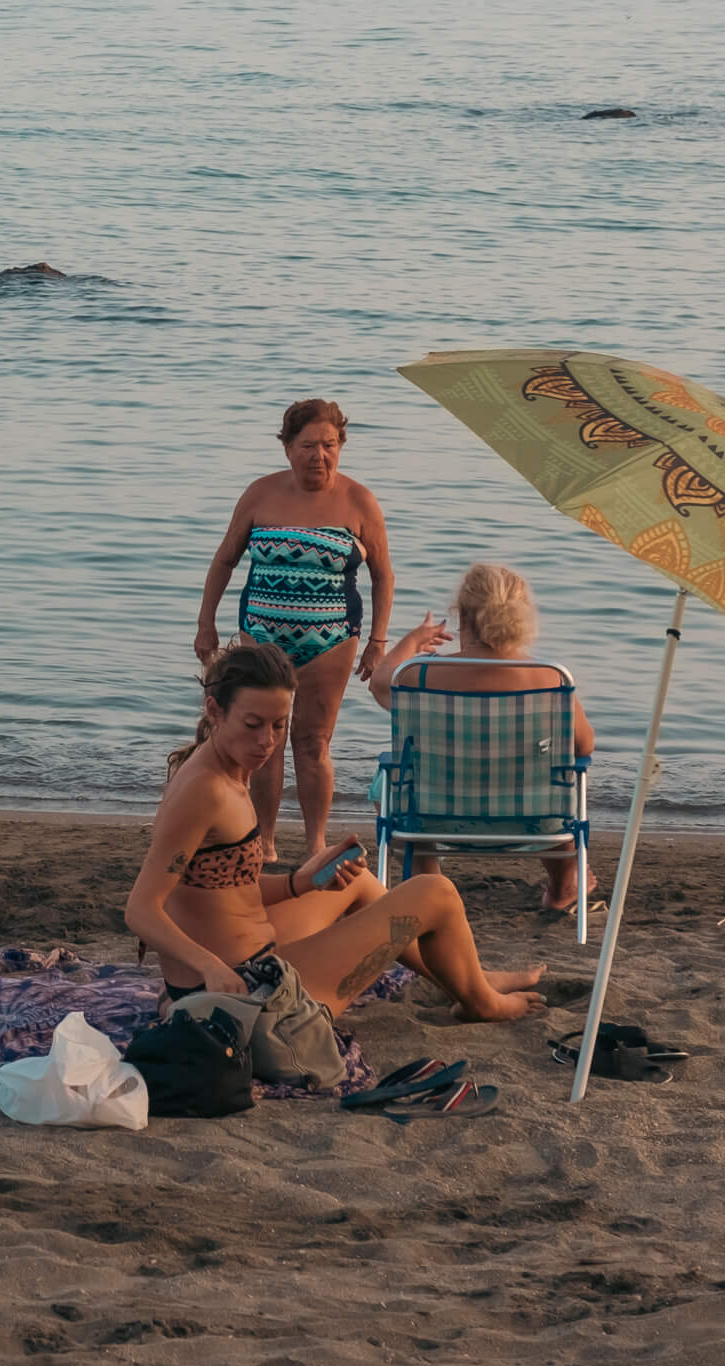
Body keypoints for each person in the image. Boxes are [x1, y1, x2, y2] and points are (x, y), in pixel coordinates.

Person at [126, 642, 545, 1023]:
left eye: (278, 725)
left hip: (247, 956)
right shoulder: (205, 790)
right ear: (214, 711)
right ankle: (483, 1003)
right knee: (436, 893)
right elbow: (142, 909)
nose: (267, 741)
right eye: (253, 724)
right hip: (249, 992)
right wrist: (209, 967)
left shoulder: (225, 765)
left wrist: (298, 883)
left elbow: (225, 886)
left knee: (358, 880)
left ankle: (469, 977)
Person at [194, 398, 393, 862]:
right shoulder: (261, 494)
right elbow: (225, 559)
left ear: (341, 445)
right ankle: (263, 839)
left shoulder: (359, 500)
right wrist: (206, 623)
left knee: (313, 741)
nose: (318, 455)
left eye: (328, 445)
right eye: (307, 445)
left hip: (331, 637)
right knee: (265, 741)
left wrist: (378, 642)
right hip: (262, 633)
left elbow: (383, 575)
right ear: (287, 448)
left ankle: (315, 842)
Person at [370, 562, 601, 916]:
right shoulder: (550, 679)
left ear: (462, 614)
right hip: (533, 820)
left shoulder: (420, 676)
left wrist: (412, 642)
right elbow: (584, 747)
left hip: (433, 817)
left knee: (387, 784)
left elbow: (379, 682)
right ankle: (562, 888)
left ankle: (428, 885)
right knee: (562, 783)